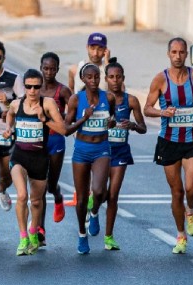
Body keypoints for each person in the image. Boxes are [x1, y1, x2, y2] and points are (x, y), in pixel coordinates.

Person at [143, 37, 193, 254]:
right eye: (174, 52)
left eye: (182, 52)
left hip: (192, 140)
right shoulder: (160, 80)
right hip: (169, 142)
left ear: (186, 55)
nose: (178, 56)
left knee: (191, 188)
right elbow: (147, 108)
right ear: (168, 54)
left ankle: (190, 210)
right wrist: (162, 112)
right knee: (177, 192)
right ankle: (181, 234)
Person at [2, 69, 66, 256]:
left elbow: (62, 129)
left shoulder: (48, 104)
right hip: (20, 156)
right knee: (22, 196)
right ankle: (22, 237)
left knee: (36, 201)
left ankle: (33, 232)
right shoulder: (16, 103)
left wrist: (44, 119)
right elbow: (10, 114)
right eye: (28, 86)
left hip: (39, 158)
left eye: (36, 87)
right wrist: (8, 128)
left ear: (41, 87)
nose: (32, 90)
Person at [64, 63, 116, 255]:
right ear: (83, 79)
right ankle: (81, 233)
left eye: (96, 77)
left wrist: (112, 122)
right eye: (89, 77)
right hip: (81, 151)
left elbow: (113, 117)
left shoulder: (108, 97)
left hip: (102, 148)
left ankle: (94, 213)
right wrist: (84, 119)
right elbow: (66, 128)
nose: (93, 81)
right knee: (82, 198)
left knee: (100, 190)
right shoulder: (76, 100)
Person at [103, 59, 147, 250]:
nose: (115, 80)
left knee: (113, 195)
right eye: (111, 77)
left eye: (118, 77)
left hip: (120, 151)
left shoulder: (131, 101)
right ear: (105, 79)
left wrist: (133, 126)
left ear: (123, 78)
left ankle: (108, 236)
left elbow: (144, 128)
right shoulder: (99, 99)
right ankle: (93, 213)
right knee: (98, 193)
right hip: (100, 151)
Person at [0, 40, 25, 217]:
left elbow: (24, 105)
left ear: (3, 58)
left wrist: (7, 105)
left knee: (6, 176)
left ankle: (1, 188)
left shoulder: (13, 78)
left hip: (7, 133)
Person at [39, 52, 72, 245]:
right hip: (38, 141)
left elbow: (74, 109)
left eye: (52, 68)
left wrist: (64, 118)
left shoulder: (63, 91)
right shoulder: (35, 88)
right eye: (45, 68)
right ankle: (41, 230)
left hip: (56, 141)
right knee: (40, 187)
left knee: (51, 185)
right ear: (41, 67)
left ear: (57, 69)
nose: (49, 72)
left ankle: (58, 196)